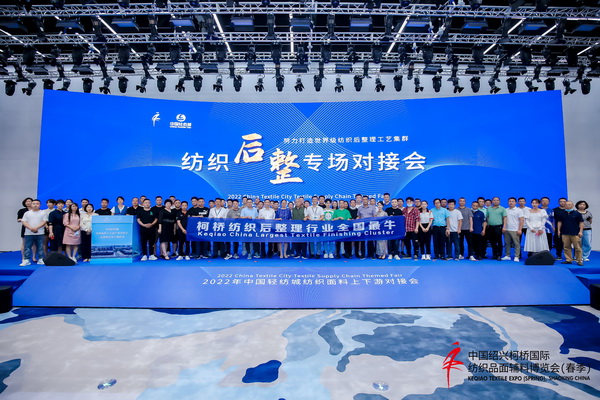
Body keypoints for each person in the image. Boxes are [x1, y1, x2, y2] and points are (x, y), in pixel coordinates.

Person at [20, 199, 47, 266]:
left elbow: (44, 221)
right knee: (27, 247)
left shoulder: (43, 212)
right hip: (28, 233)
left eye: (37, 204)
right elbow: (24, 222)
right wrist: (31, 228)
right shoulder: (27, 213)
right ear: (31, 204)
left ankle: (41, 259)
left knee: (40, 247)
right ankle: (26, 260)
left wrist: (36, 228)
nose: (35, 205)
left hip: (40, 233)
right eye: (34, 203)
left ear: (40, 205)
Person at [557, 200, 584, 266]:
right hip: (565, 233)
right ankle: (568, 259)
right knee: (566, 247)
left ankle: (579, 260)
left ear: (572, 205)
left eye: (569, 205)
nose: (568, 206)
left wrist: (580, 231)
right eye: (566, 205)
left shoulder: (577, 214)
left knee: (578, 248)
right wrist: (558, 230)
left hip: (575, 233)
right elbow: (559, 222)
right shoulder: (562, 213)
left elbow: (581, 223)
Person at [502, 197, 524, 262]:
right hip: (506, 229)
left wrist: (520, 229)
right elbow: (504, 219)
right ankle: (507, 255)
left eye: (512, 201)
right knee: (507, 243)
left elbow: (521, 220)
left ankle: (517, 256)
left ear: (515, 202)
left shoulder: (519, 210)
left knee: (516, 244)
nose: (511, 202)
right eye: (509, 201)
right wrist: (504, 227)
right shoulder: (506, 210)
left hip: (515, 229)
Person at [486, 197, 507, 261]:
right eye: (494, 200)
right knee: (493, 242)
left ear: (499, 201)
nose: (496, 201)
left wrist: (504, 227)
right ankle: (494, 255)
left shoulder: (502, 209)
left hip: (498, 227)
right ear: (492, 201)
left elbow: (505, 218)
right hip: (490, 227)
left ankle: (499, 255)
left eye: (497, 200)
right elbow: (487, 217)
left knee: (499, 241)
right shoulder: (489, 208)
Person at [17, 197, 33, 262]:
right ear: (25, 203)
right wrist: (25, 220)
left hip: (35, 227)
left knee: (34, 244)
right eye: (27, 201)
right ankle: (23, 257)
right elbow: (18, 219)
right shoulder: (22, 210)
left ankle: (34, 257)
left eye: (30, 201)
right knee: (24, 243)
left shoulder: (36, 210)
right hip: (25, 227)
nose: (28, 203)